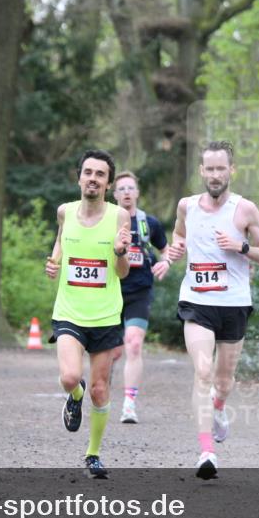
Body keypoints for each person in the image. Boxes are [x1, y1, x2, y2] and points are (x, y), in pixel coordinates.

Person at [166, 141, 259, 479]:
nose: (214, 175)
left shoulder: (245, 210)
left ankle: (219, 406)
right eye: (209, 169)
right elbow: (178, 236)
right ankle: (206, 451)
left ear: (231, 171)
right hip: (196, 301)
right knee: (202, 371)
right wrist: (176, 249)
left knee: (223, 381)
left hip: (234, 304)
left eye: (220, 169)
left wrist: (240, 246)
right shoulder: (186, 206)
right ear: (201, 171)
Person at [45, 149, 132, 479]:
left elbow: (122, 272)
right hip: (69, 311)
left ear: (108, 183)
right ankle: (73, 396)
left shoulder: (118, 218)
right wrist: (54, 262)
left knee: (100, 389)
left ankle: (93, 453)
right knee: (70, 378)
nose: (93, 178)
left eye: (100, 174)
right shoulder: (64, 212)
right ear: (79, 177)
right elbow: (60, 242)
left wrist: (120, 252)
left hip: (106, 315)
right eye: (88, 172)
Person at [110, 171, 171, 424]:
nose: (126, 192)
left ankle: (129, 405)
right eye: (121, 188)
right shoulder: (106, 220)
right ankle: (100, 394)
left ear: (137, 193)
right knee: (111, 352)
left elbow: (165, 249)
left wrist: (165, 262)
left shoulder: (149, 223)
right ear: (114, 194)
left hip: (139, 291)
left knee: (133, 344)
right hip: (110, 291)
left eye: (130, 188)